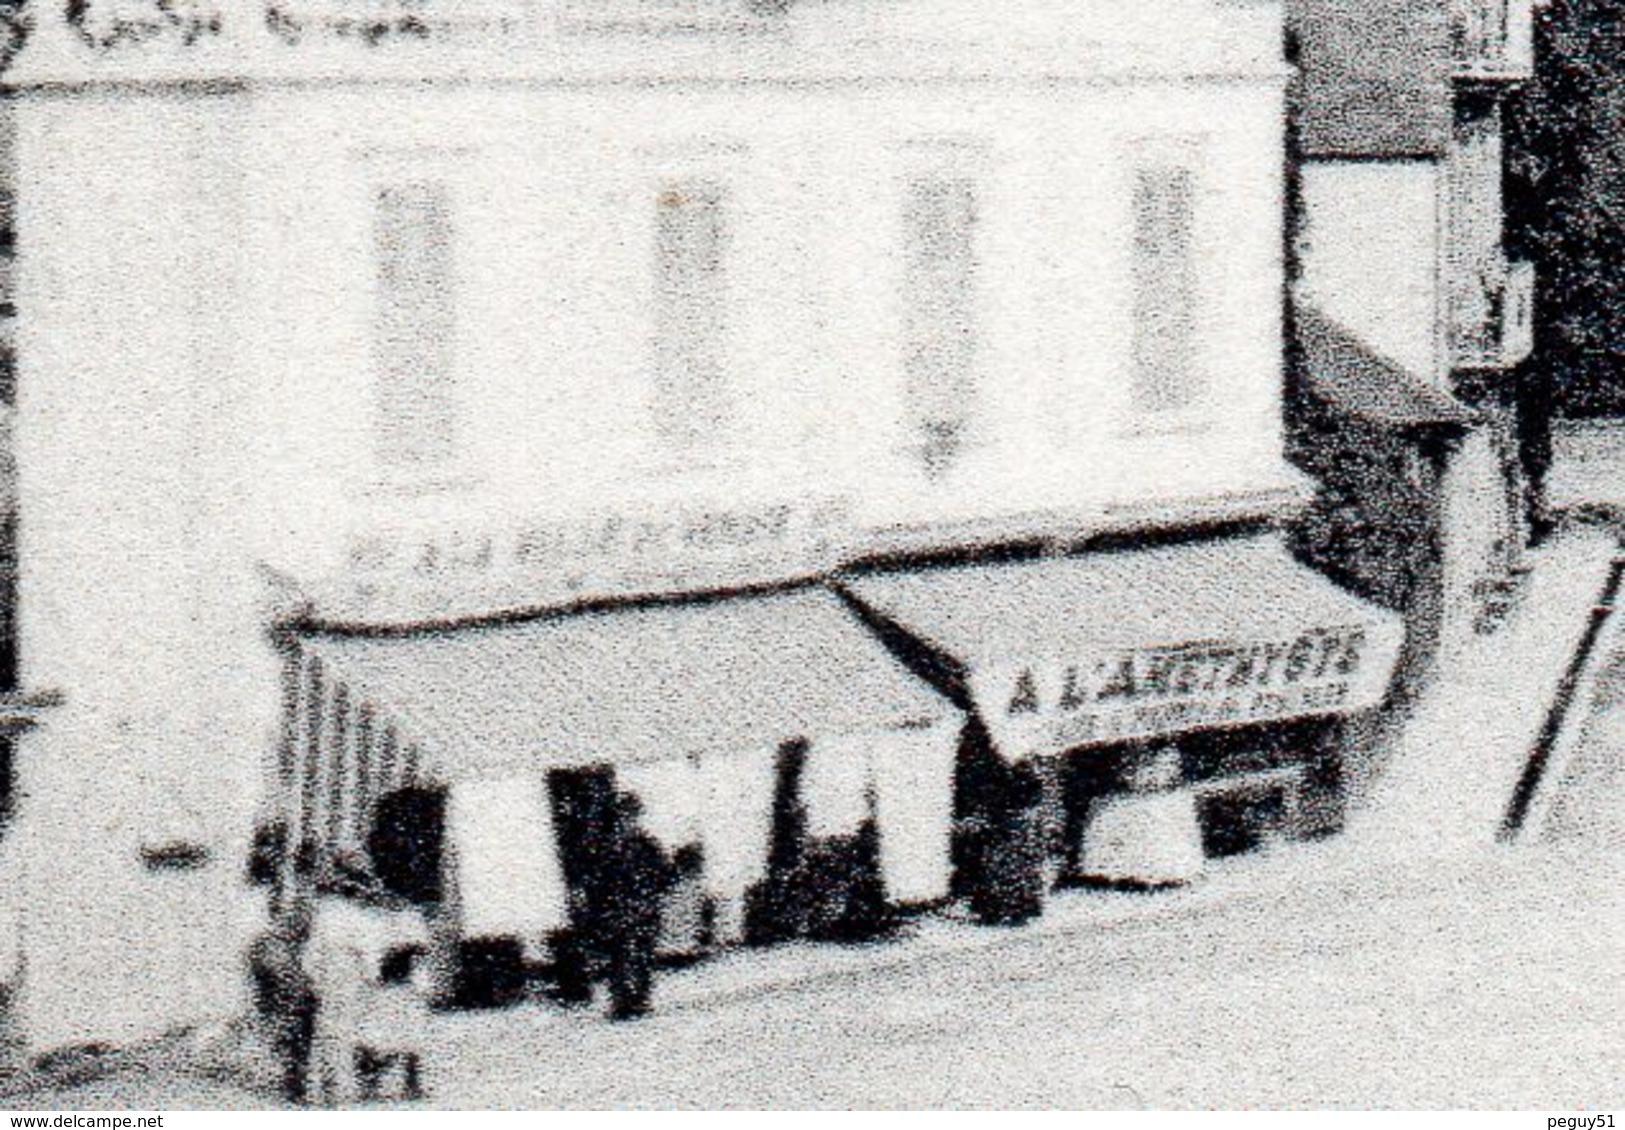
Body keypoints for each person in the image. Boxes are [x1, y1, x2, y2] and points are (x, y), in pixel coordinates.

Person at [602, 793, 677, 1021]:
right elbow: (600, 882)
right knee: (619, 956)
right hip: (620, 911)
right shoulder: (609, 849)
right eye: (625, 817)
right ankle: (621, 1001)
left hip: (645, 909)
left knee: (643, 956)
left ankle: (640, 999)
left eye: (632, 816)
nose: (628, 821)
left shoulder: (648, 846)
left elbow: (667, 874)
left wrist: (653, 895)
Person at [248, 901, 317, 1104]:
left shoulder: (281, 946)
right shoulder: (272, 945)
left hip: (294, 1004)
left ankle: (294, 1086)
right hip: (285, 1004)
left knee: (296, 1047)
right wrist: (301, 988)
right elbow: (281, 976)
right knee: (290, 1046)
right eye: (300, 927)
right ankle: (292, 1089)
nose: (304, 933)